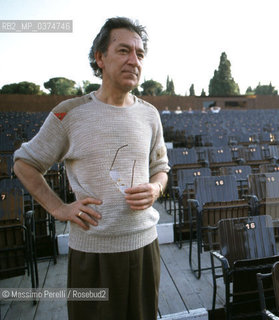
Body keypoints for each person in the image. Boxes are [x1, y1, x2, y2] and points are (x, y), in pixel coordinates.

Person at [13, 17, 169, 320]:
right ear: (100, 58)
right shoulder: (69, 112)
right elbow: (24, 163)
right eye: (123, 51)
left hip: (144, 247)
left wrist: (155, 187)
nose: (134, 61)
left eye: (139, 54)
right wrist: (59, 209)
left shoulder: (150, 115)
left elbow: (161, 168)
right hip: (93, 254)